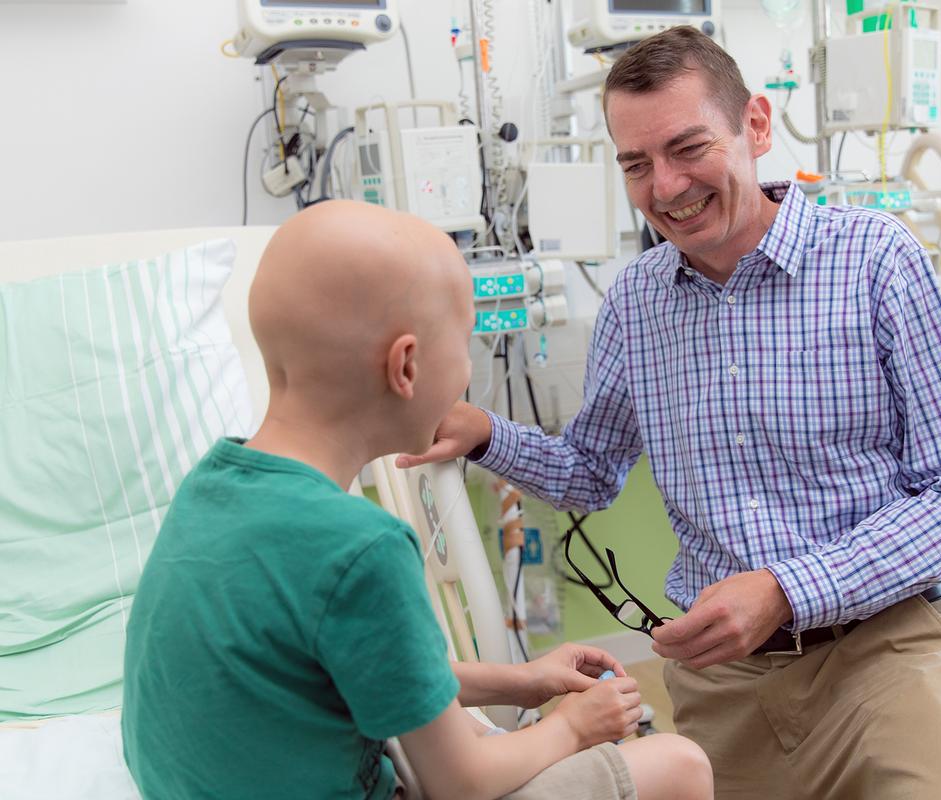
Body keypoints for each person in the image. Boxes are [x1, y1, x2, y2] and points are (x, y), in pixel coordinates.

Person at [396, 26, 941, 800]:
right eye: (637, 164)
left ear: (755, 125)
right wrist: (485, 433)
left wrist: (787, 589)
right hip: (728, 684)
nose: (665, 187)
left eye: (687, 148)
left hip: (892, 646)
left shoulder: (877, 262)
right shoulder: (635, 302)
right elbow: (591, 472)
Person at [121, 201, 713, 800]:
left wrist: (521, 680)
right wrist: (570, 726)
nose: (464, 374)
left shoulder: (209, 487)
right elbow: (460, 784)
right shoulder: (362, 547)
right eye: (463, 345)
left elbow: (374, 671)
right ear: (405, 366)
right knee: (680, 764)